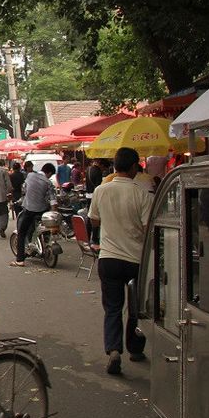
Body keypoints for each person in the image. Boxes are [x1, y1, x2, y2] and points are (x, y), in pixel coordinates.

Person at [88, 147, 153, 375]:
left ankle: (114, 350)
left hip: (109, 258)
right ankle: (135, 349)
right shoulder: (141, 194)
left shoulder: (100, 190)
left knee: (113, 308)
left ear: (115, 166)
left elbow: (94, 221)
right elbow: (147, 229)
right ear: (134, 167)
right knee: (135, 308)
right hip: (135, 260)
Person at [10, 163, 57, 268]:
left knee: (21, 233)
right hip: (43, 210)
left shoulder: (30, 176)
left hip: (29, 209)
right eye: (50, 175)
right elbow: (53, 201)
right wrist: (53, 213)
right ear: (48, 173)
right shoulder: (48, 182)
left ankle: (20, 260)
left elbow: (24, 191)